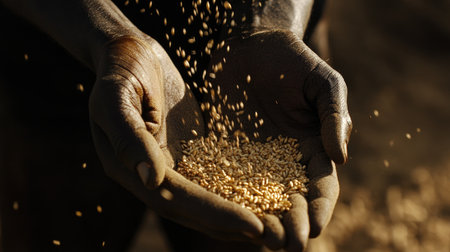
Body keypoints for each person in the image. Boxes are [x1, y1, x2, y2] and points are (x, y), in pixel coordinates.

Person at [0, 0, 351, 251]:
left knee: (251, 233)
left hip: (269, 76)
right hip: (62, 52)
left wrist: (275, 16)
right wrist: (107, 33)